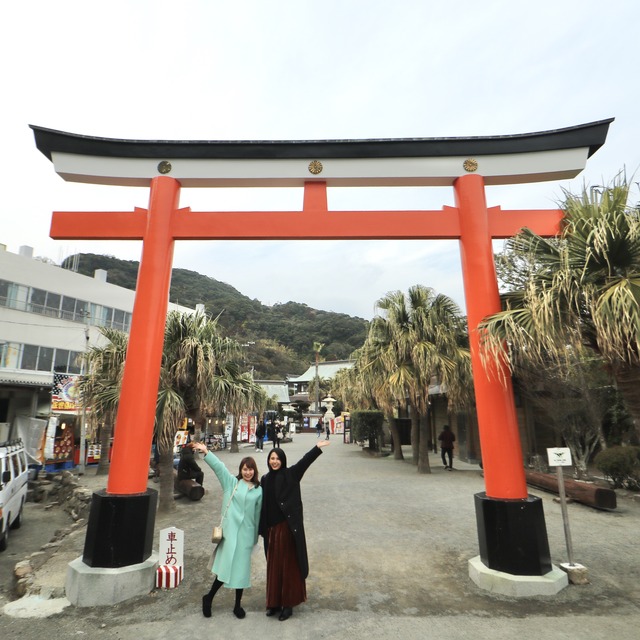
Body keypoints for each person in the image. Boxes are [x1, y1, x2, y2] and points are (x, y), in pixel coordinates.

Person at [259, 440, 330, 621]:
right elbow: (262, 506)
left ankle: (287, 605)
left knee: (287, 567)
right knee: (273, 567)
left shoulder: (291, 474)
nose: (274, 461)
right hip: (271, 531)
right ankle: (273, 602)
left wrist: (317, 448)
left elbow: (304, 462)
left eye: (277, 458)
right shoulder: (265, 480)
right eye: (271, 458)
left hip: (287, 529)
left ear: (283, 460)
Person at [191, 442, 263, 620]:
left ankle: (237, 605)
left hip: (246, 537)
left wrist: (254, 539)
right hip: (230, 534)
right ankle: (208, 598)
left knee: (241, 571)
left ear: (255, 471)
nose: (248, 472)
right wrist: (207, 452)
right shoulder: (232, 483)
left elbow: (257, 515)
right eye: (245, 469)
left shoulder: (259, 491)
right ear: (241, 470)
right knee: (224, 570)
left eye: (251, 469)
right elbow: (220, 468)